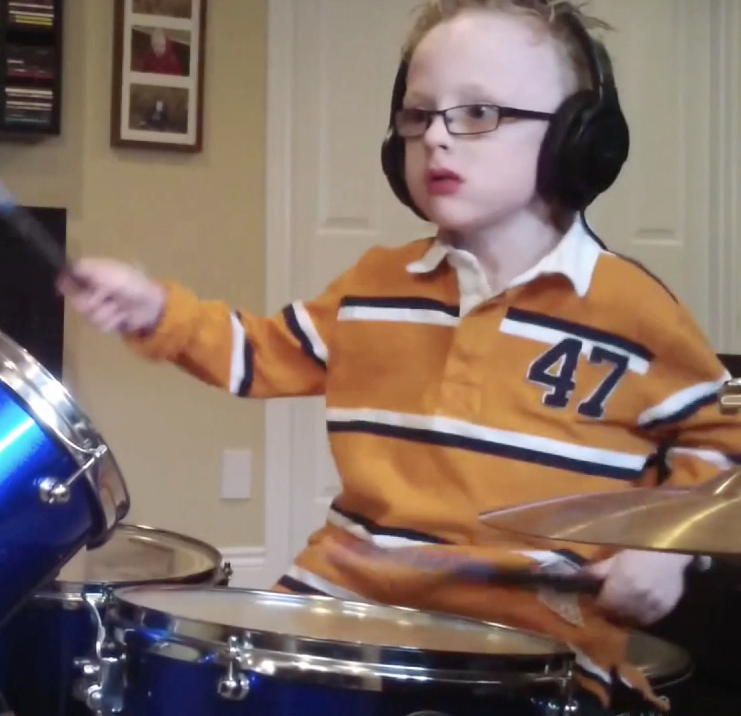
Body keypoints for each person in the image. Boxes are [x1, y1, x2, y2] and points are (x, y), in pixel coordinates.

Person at [59, 1, 737, 714]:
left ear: (579, 140)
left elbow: (725, 439)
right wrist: (156, 310)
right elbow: (257, 353)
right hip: (350, 597)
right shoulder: (375, 287)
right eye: (418, 115)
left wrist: (662, 550)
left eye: (477, 113)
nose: (436, 136)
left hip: (536, 640)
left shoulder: (632, 310)